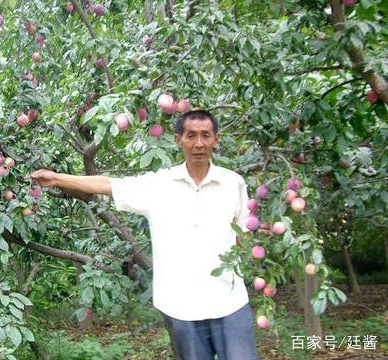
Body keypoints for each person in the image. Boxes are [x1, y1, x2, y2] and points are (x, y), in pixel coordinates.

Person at [31, 110, 258, 359]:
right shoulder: (159, 185)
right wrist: (57, 178)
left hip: (229, 302)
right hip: (182, 306)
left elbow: (244, 234)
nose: (199, 143)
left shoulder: (233, 184)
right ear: (178, 140)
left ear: (216, 139)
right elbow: (109, 185)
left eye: (206, 135)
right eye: (191, 135)